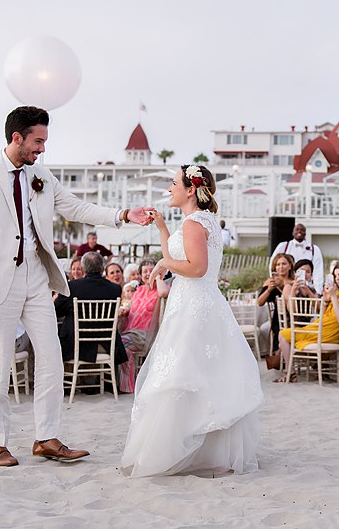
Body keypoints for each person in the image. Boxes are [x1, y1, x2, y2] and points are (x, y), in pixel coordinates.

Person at [0, 105, 154, 468]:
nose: (42, 148)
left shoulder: (40, 175)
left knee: (51, 356)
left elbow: (76, 208)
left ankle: (46, 438)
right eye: (38, 141)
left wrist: (122, 215)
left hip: (37, 279)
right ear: (17, 137)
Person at [122, 164, 263, 477]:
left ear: (190, 190)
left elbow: (196, 268)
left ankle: (180, 451)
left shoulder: (194, 223)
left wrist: (163, 262)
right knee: (198, 375)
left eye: (173, 184)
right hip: (193, 302)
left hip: (194, 307)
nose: (169, 189)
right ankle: (203, 450)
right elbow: (181, 259)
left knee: (183, 375)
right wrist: (161, 229)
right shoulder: (199, 221)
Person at [268, 261, 339, 382]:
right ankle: (293, 372)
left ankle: (291, 374)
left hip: (330, 332)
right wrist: (326, 300)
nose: (338, 278)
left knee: (283, 336)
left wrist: (333, 297)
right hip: (321, 326)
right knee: (283, 338)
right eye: (335, 276)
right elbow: (324, 312)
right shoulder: (337, 291)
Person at [54, 251, 128, 369]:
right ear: (103, 268)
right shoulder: (114, 289)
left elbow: (56, 311)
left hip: (75, 344)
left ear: (83, 268)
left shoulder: (72, 287)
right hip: (107, 344)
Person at [116, 258, 169, 393]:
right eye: (145, 271)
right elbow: (131, 307)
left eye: (151, 270)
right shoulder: (138, 290)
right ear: (140, 274)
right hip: (130, 331)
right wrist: (124, 310)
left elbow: (163, 293)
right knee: (115, 342)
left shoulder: (160, 289)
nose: (148, 274)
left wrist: (157, 276)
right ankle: (123, 384)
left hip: (145, 334)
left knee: (122, 345)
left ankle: (128, 386)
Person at [257, 252, 295, 354]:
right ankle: (280, 351)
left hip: (295, 317)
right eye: (278, 265)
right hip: (279, 321)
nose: (281, 267)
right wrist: (269, 290)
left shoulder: (294, 282)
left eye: (284, 264)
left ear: (290, 266)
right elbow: (259, 302)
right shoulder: (271, 282)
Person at [270, 223, 324, 291]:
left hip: (306, 287)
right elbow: (273, 264)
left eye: (302, 230)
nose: (299, 231)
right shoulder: (283, 246)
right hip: (285, 285)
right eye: (297, 229)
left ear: (305, 233)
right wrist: (277, 282)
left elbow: (318, 271)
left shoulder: (314, 249)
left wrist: (318, 290)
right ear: (293, 232)